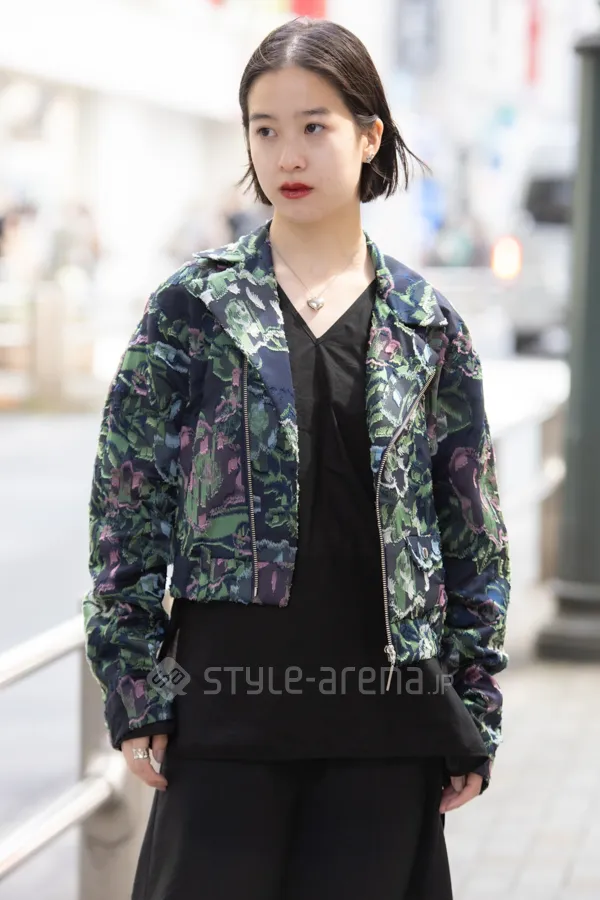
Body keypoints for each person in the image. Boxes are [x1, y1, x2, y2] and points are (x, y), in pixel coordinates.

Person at [83, 16, 510, 900]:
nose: (288, 154)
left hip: (386, 725)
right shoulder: (192, 310)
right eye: (265, 128)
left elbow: (471, 531)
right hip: (222, 715)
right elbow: (127, 508)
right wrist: (136, 686)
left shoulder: (425, 326)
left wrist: (473, 701)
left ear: (368, 135)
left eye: (314, 126)